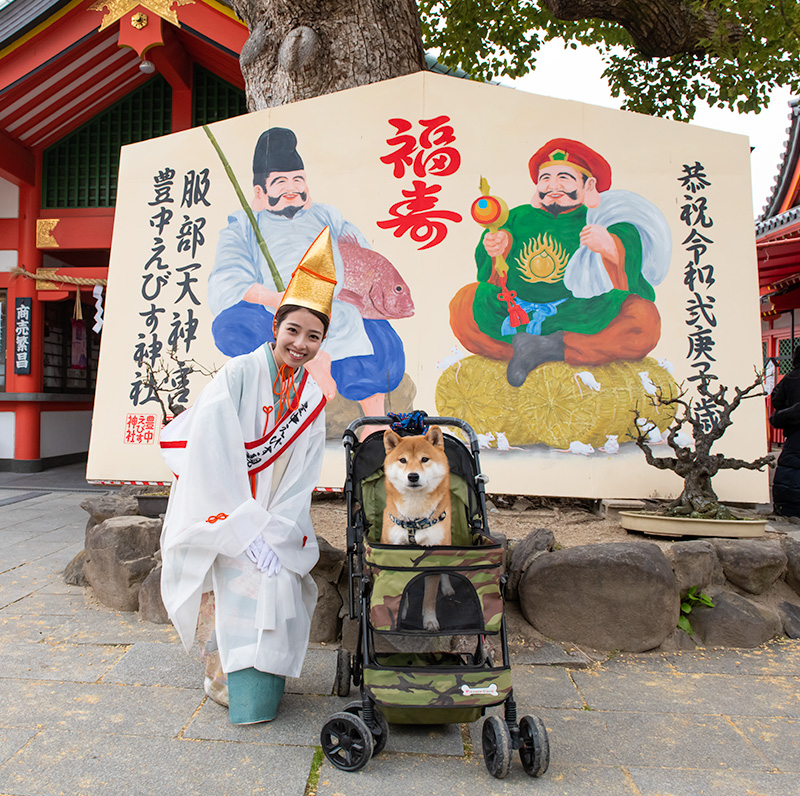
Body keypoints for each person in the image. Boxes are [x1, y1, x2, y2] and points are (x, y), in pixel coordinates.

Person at [159, 227, 336, 724]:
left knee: (278, 577)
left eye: (314, 336)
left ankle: (267, 679)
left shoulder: (310, 399)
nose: (300, 344)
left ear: (323, 341)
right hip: (226, 512)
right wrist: (242, 526)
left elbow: (300, 475)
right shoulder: (237, 375)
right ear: (275, 327)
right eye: (293, 331)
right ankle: (225, 682)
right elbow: (211, 453)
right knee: (234, 582)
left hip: (273, 519)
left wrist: (275, 529)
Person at [208, 126, 404, 418]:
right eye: (280, 182)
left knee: (384, 345)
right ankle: (310, 365)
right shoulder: (244, 225)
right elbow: (228, 276)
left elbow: (362, 255)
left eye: (297, 180)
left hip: (334, 309)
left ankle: (373, 419)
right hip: (275, 311)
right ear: (260, 192)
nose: (291, 188)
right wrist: (274, 298)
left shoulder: (328, 216)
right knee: (229, 327)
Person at [450, 138, 672, 386]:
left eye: (564, 177)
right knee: (464, 303)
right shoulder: (516, 216)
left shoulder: (601, 217)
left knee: (643, 319)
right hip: (517, 311)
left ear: (588, 184)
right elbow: (488, 270)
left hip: (580, 312)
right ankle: (531, 350)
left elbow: (629, 252)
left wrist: (609, 245)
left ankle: (546, 348)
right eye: (545, 178)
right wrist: (495, 247)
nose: (553, 186)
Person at [770, 348, 800, 517]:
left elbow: (776, 399)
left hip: (795, 433)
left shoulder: (790, 378)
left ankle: (787, 509)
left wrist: (788, 412)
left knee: (791, 471)